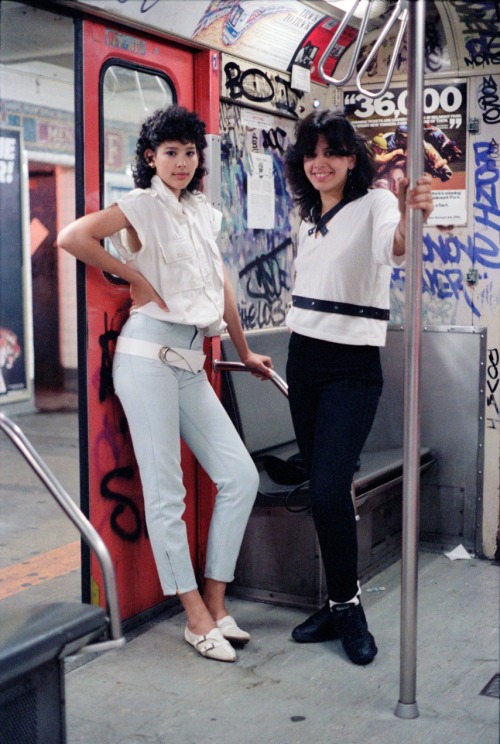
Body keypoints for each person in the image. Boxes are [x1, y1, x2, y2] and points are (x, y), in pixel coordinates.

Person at [58, 105, 273, 663]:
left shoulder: (204, 213)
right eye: (169, 152)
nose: (181, 162)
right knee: (167, 492)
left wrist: (244, 352)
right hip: (146, 355)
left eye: (189, 151)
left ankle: (217, 602)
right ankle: (194, 616)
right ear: (151, 158)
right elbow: (72, 236)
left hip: (191, 359)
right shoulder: (142, 206)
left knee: (240, 475)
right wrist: (133, 276)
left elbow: (221, 286)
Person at [283, 110, 433, 665]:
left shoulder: (376, 203)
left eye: (332, 152)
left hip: (352, 365)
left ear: (351, 158)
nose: (320, 163)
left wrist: (408, 221)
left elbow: (389, 250)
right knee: (327, 490)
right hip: (303, 358)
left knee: (327, 486)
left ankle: (349, 609)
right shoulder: (307, 218)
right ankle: (339, 600)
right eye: (311, 154)